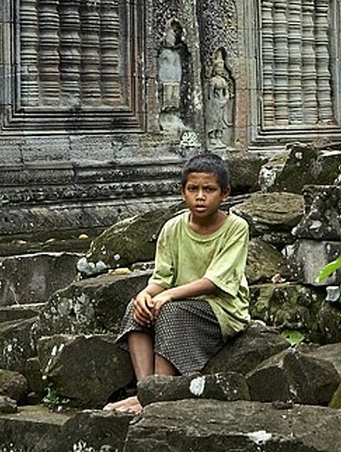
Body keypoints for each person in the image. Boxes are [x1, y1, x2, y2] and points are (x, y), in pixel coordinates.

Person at [104, 153, 250, 414]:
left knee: (169, 311)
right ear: (182, 192)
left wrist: (168, 296)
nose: (201, 196)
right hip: (179, 302)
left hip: (221, 309)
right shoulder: (172, 228)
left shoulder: (235, 227)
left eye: (209, 189)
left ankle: (161, 392)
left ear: (225, 194)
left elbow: (215, 281)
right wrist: (146, 295)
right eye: (193, 189)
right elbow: (160, 279)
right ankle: (146, 390)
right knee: (137, 308)